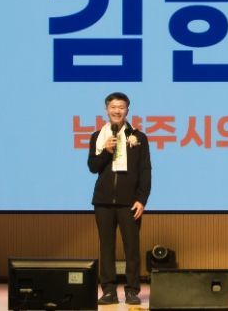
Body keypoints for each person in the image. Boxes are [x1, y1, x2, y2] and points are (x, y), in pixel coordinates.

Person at [87, 92, 152, 306]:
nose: (117, 111)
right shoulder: (98, 136)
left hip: (129, 202)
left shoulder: (139, 137)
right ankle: (108, 290)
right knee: (106, 248)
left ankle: (132, 290)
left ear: (127, 110)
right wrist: (106, 151)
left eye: (121, 107)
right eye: (113, 107)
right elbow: (93, 167)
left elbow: (145, 170)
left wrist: (142, 199)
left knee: (131, 247)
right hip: (103, 201)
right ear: (106, 110)